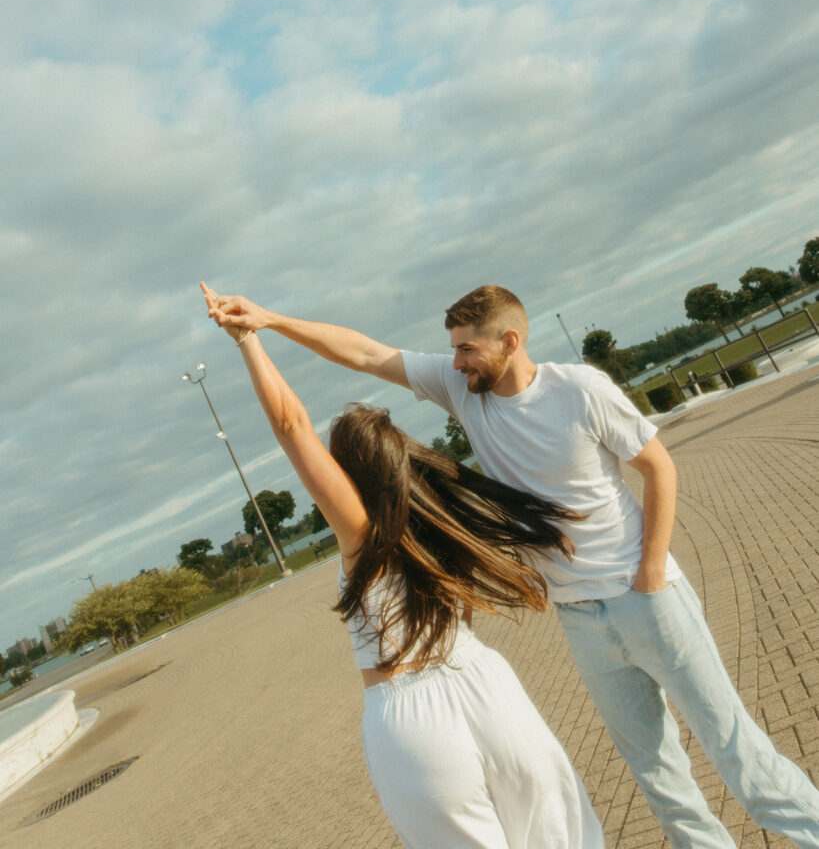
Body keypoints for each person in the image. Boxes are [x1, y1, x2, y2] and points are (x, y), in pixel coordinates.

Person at [206, 284, 819, 849]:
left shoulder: (578, 389)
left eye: (467, 349)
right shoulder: (455, 408)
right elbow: (367, 353)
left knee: (737, 751)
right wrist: (271, 320)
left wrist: (652, 573)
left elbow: (659, 467)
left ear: (510, 342)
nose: (456, 361)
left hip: (647, 599)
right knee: (657, 776)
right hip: (577, 622)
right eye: (452, 350)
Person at [200, 283, 605, 849]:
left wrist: (249, 342)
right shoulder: (442, 528)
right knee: (562, 834)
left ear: (352, 477)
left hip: (413, 716)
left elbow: (292, 427)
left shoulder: (364, 538)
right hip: (488, 683)